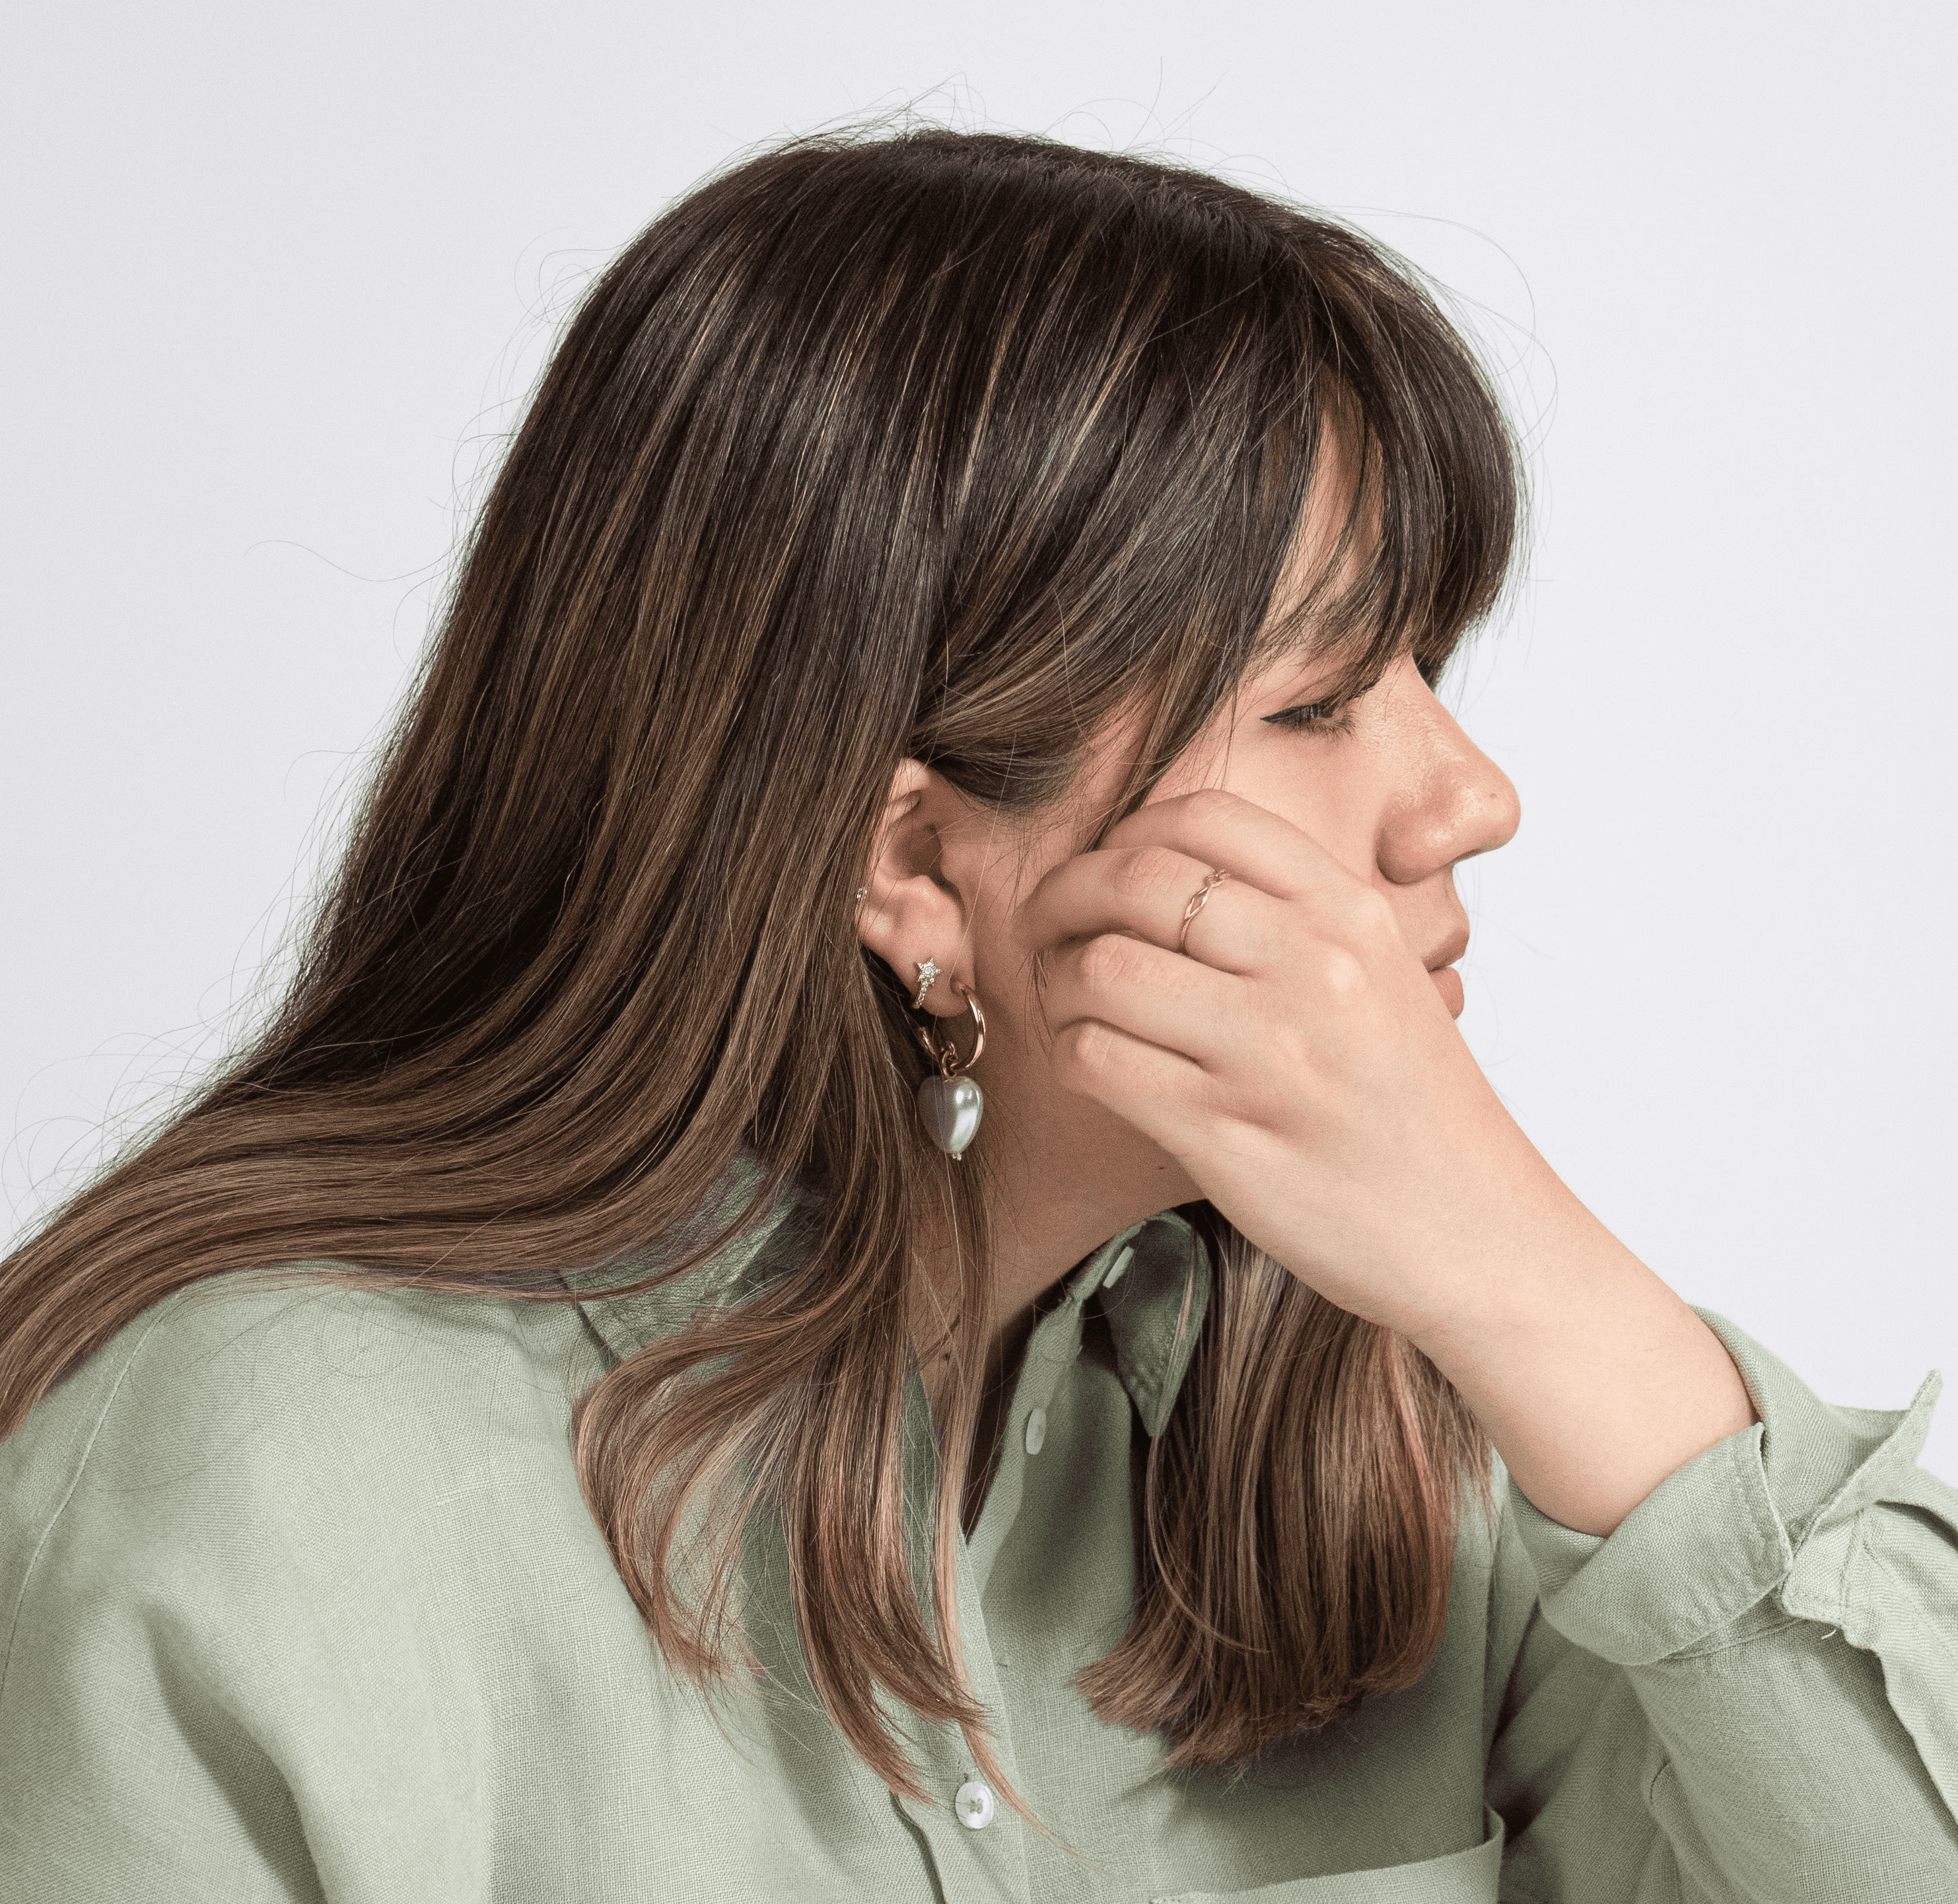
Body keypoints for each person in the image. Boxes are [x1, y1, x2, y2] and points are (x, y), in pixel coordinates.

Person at [1, 123, 1952, 1903]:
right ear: (914, 869)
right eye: (1316, 699)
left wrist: (1549, 1303)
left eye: (1426, 665)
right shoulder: (275, 1471)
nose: (1469, 798)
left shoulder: (1412, 1439)